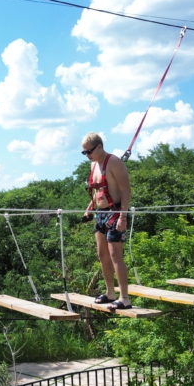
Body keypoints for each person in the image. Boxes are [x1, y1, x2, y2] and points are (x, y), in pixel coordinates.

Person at [81, 132, 132, 310]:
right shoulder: (93, 165)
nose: (87, 155)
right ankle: (110, 293)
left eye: (89, 152)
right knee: (102, 255)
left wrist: (123, 217)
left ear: (100, 147)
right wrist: (90, 207)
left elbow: (126, 191)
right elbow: (97, 192)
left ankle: (124, 298)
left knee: (115, 255)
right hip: (100, 213)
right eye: (84, 153)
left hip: (116, 211)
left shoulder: (114, 162)